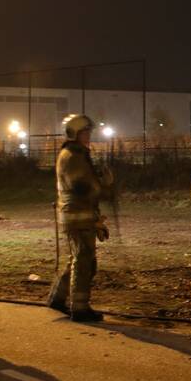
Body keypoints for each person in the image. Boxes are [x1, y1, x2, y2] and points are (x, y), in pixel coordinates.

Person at [47, 114, 113, 323]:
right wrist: (103, 184)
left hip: (78, 214)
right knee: (84, 261)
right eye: (85, 133)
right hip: (78, 215)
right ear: (75, 133)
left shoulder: (75, 154)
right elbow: (83, 187)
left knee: (77, 258)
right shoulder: (73, 156)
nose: (88, 136)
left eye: (89, 132)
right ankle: (80, 308)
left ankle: (57, 298)